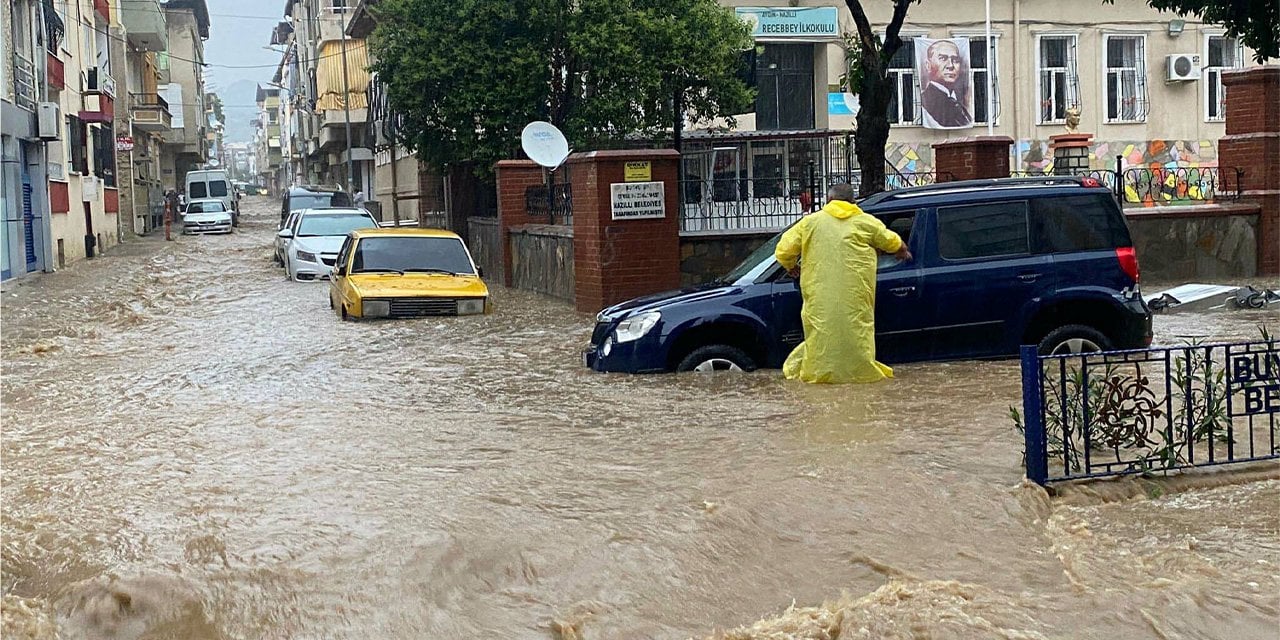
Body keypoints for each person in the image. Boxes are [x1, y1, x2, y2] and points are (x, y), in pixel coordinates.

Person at [775, 183, 912, 384]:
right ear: (853, 202)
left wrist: (790, 266)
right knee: (858, 334)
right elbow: (894, 243)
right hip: (855, 299)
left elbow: (783, 251)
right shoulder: (866, 222)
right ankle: (860, 374)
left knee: (820, 336)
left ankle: (819, 374)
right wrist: (903, 253)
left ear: (828, 201)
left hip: (819, 300)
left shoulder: (810, 223)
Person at [920, 40, 973, 129]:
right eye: (943, 58)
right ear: (928, 65)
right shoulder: (927, 101)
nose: (950, 65)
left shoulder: (959, 102)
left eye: (955, 60)